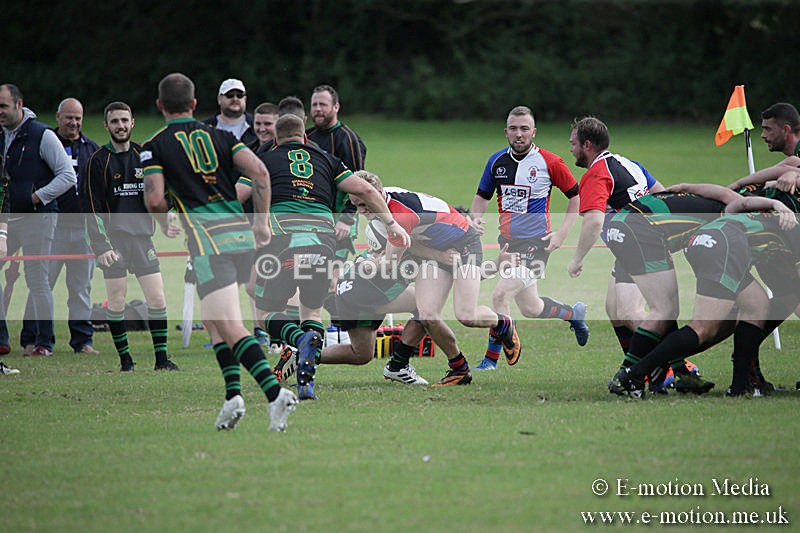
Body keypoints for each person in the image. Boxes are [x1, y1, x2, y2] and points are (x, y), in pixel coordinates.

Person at [141, 72, 298, 432]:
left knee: (229, 324)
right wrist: (260, 223)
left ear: (160, 106)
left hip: (209, 244)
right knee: (213, 320)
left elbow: (153, 198)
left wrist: (166, 224)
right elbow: (259, 171)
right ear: (195, 104)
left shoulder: (155, 145)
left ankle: (276, 395)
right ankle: (233, 397)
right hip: (239, 236)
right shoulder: (222, 136)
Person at [255, 114, 410, 400]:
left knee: (264, 313)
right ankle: (305, 384)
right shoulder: (326, 159)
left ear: (275, 139)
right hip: (322, 244)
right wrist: (392, 224)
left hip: (284, 241)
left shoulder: (264, 159)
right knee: (311, 311)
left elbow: (239, 192)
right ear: (305, 137)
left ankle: (297, 338)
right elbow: (364, 188)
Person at [610, 200, 800, 398]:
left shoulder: (777, 217)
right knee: (703, 327)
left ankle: (740, 386)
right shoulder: (795, 229)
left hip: (702, 239)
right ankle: (634, 374)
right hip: (728, 245)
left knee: (757, 304)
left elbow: (739, 200)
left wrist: (775, 203)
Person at [350, 170, 522, 386]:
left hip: (463, 243)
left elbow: (390, 261)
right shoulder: (386, 205)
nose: (362, 211)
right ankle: (459, 370)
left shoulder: (399, 215)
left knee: (466, 315)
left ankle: (503, 323)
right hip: (434, 249)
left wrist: (363, 264)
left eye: (365, 204)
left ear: (377, 193)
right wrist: (437, 255)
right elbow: (411, 242)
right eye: (357, 206)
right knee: (428, 315)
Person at [470, 105, 588, 371]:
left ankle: (491, 359)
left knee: (500, 294)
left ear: (534, 132)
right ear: (506, 132)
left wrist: (561, 233)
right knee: (530, 307)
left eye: (524, 129)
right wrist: (474, 221)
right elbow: (481, 198)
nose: (519, 134)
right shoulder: (496, 162)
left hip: (537, 244)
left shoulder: (550, 162)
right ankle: (572, 314)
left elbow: (575, 197)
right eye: (514, 129)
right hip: (508, 243)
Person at [85, 101, 181, 372]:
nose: (120, 126)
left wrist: (167, 214)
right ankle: (125, 361)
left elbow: (166, 191)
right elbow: (92, 208)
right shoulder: (98, 161)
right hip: (114, 242)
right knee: (116, 301)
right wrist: (101, 246)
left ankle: (161, 360)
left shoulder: (145, 155)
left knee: (158, 299)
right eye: (115, 121)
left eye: (124, 120)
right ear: (107, 125)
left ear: (132, 122)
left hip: (142, 239)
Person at [566, 116, 665, 358]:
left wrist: (577, 259)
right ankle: (635, 366)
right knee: (614, 309)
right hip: (638, 244)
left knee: (630, 312)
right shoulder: (627, 163)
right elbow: (662, 193)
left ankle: (678, 366)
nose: (571, 150)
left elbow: (594, 221)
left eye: (573, 144)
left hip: (640, 245)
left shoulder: (596, 174)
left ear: (587, 145)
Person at [0, 83, 76, 357]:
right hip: (5, 219)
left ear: (19, 105)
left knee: (37, 279)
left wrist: (37, 197)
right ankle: (2, 339)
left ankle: (45, 342)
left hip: (38, 217)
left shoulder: (41, 134)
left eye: (3, 106)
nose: (0, 112)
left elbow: (68, 176)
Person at [20, 97, 99, 356]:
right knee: (41, 285)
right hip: (51, 227)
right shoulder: (44, 144)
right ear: (58, 117)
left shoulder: (92, 149)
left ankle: (83, 341)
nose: (74, 123)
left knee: (81, 289)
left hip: (83, 230)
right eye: (69, 118)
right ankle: (33, 339)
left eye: (78, 118)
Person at [306, 85, 365, 264]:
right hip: (313, 218)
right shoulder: (306, 137)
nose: (318, 109)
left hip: (338, 220)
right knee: (310, 274)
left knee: (332, 275)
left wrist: (346, 220)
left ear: (336, 107)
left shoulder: (347, 139)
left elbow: (358, 182)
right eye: (314, 105)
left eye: (323, 104)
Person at [728, 103, 800, 189]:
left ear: (785, 130)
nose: (763, 135)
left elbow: (782, 169)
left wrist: (737, 184)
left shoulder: (793, 161)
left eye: (768, 129)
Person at [202, 78, 257, 146]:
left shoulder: (258, 126)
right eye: (230, 95)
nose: (235, 99)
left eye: (239, 95)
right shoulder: (204, 128)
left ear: (245, 99)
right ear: (219, 99)